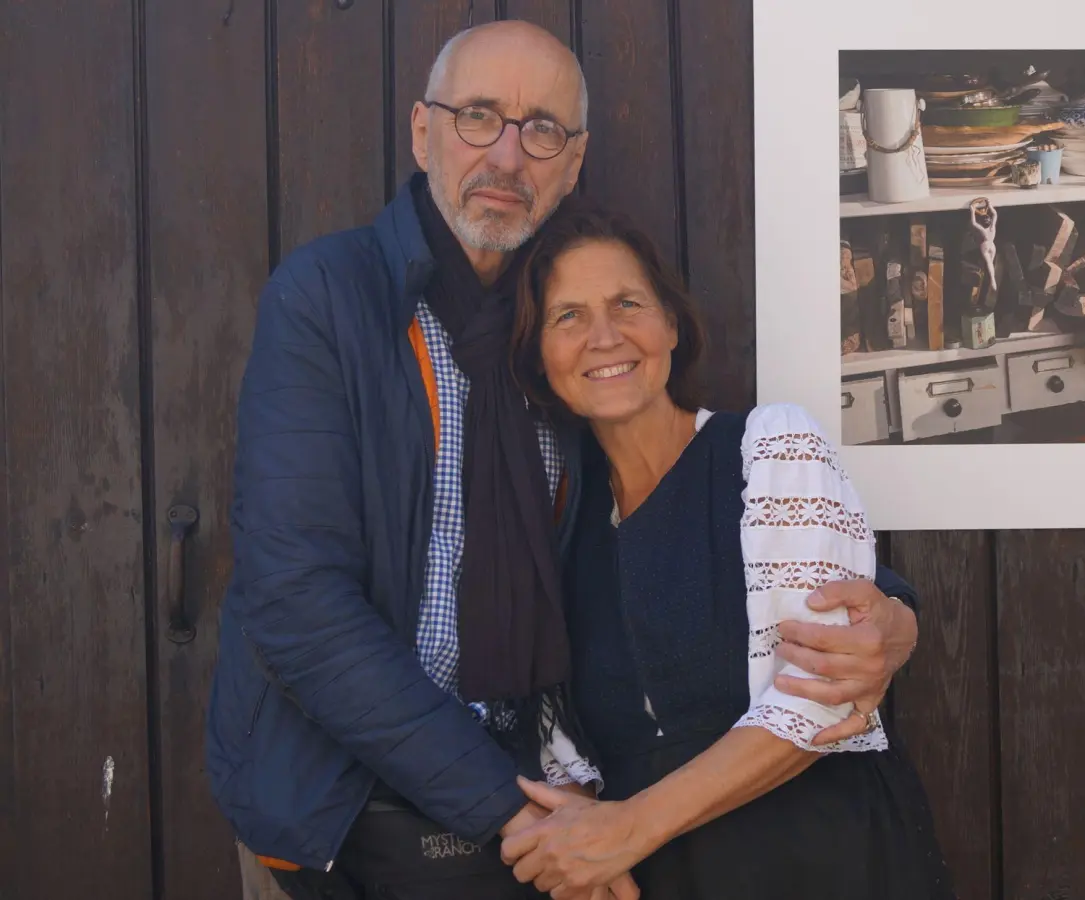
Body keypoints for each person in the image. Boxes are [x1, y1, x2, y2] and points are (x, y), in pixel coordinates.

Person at [206, 20, 923, 900]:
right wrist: (528, 821)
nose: (508, 156)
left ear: (574, 161)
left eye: (541, 129)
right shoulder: (329, 298)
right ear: (422, 130)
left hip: (540, 827)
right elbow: (295, 601)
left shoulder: (557, 345)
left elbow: (756, 537)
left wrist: (892, 613)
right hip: (354, 812)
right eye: (479, 117)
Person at [487, 200, 954, 899]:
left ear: (670, 324)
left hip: (824, 861)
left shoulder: (768, 451)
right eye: (568, 317)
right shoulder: (563, 517)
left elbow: (823, 700)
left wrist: (629, 828)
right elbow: (570, 745)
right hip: (663, 879)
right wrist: (582, 836)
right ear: (539, 355)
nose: (604, 336)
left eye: (627, 303)